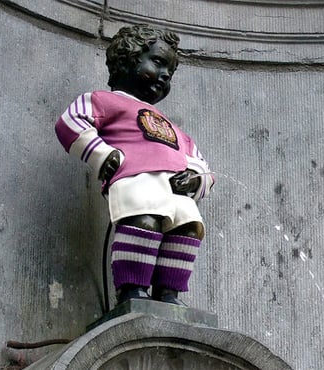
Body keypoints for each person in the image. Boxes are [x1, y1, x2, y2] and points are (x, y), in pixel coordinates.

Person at [55, 25, 214, 306]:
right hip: (136, 179)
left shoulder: (173, 127)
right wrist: (102, 155)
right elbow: (71, 121)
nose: (165, 75)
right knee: (143, 222)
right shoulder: (105, 101)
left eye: (170, 72)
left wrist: (195, 179)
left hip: (174, 191)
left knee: (187, 228)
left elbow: (201, 163)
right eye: (158, 63)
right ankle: (132, 291)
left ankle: (169, 293)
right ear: (128, 58)